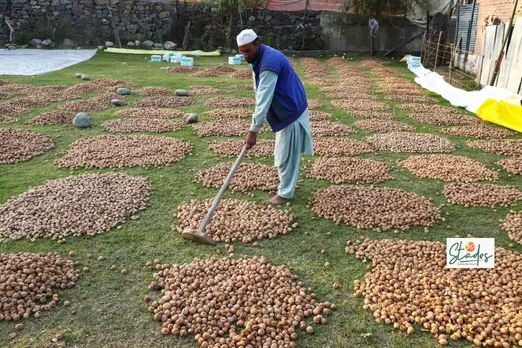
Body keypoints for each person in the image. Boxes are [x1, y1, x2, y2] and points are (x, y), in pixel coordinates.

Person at [237, 29, 313, 205]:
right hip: (283, 110)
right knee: (281, 151)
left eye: (247, 50)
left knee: (288, 155)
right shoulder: (258, 58)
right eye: (242, 52)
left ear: (257, 43)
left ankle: (285, 193)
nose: (245, 55)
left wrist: (253, 130)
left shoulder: (270, 62)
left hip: (291, 110)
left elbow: (264, 98)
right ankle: (282, 184)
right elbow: (260, 91)